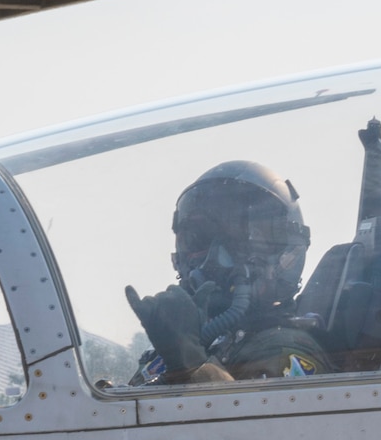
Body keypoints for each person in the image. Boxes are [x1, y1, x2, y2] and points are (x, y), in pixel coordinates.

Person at [125, 161, 334, 385]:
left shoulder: (286, 348)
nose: (217, 258)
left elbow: (254, 416)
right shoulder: (187, 341)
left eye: (242, 242)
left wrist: (193, 364)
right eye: (200, 238)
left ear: (287, 252)